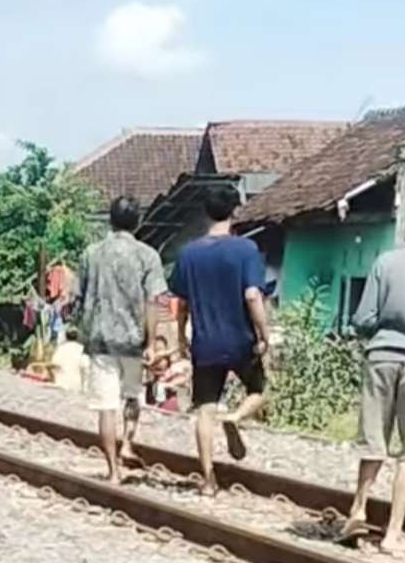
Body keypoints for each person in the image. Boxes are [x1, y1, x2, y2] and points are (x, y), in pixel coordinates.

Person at [340, 186, 405, 554]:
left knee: (373, 442)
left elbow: (364, 319)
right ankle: (393, 534)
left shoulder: (385, 262)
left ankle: (357, 512)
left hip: (380, 358)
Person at [171, 184, 270, 496]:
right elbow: (253, 295)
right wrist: (264, 335)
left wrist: (180, 337)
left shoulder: (189, 253)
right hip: (241, 341)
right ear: (235, 211)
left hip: (205, 343)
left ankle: (208, 481)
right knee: (259, 389)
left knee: (204, 409)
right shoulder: (246, 250)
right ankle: (236, 416)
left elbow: (182, 303)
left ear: (205, 212)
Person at [77, 196, 167, 483]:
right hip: (133, 338)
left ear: (110, 220)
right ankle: (127, 441)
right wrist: (152, 342)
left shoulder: (91, 253)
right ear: (137, 221)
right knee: (132, 395)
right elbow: (154, 301)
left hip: (100, 339)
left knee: (106, 406)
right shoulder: (148, 255)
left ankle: (113, 470)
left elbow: (80, 294)